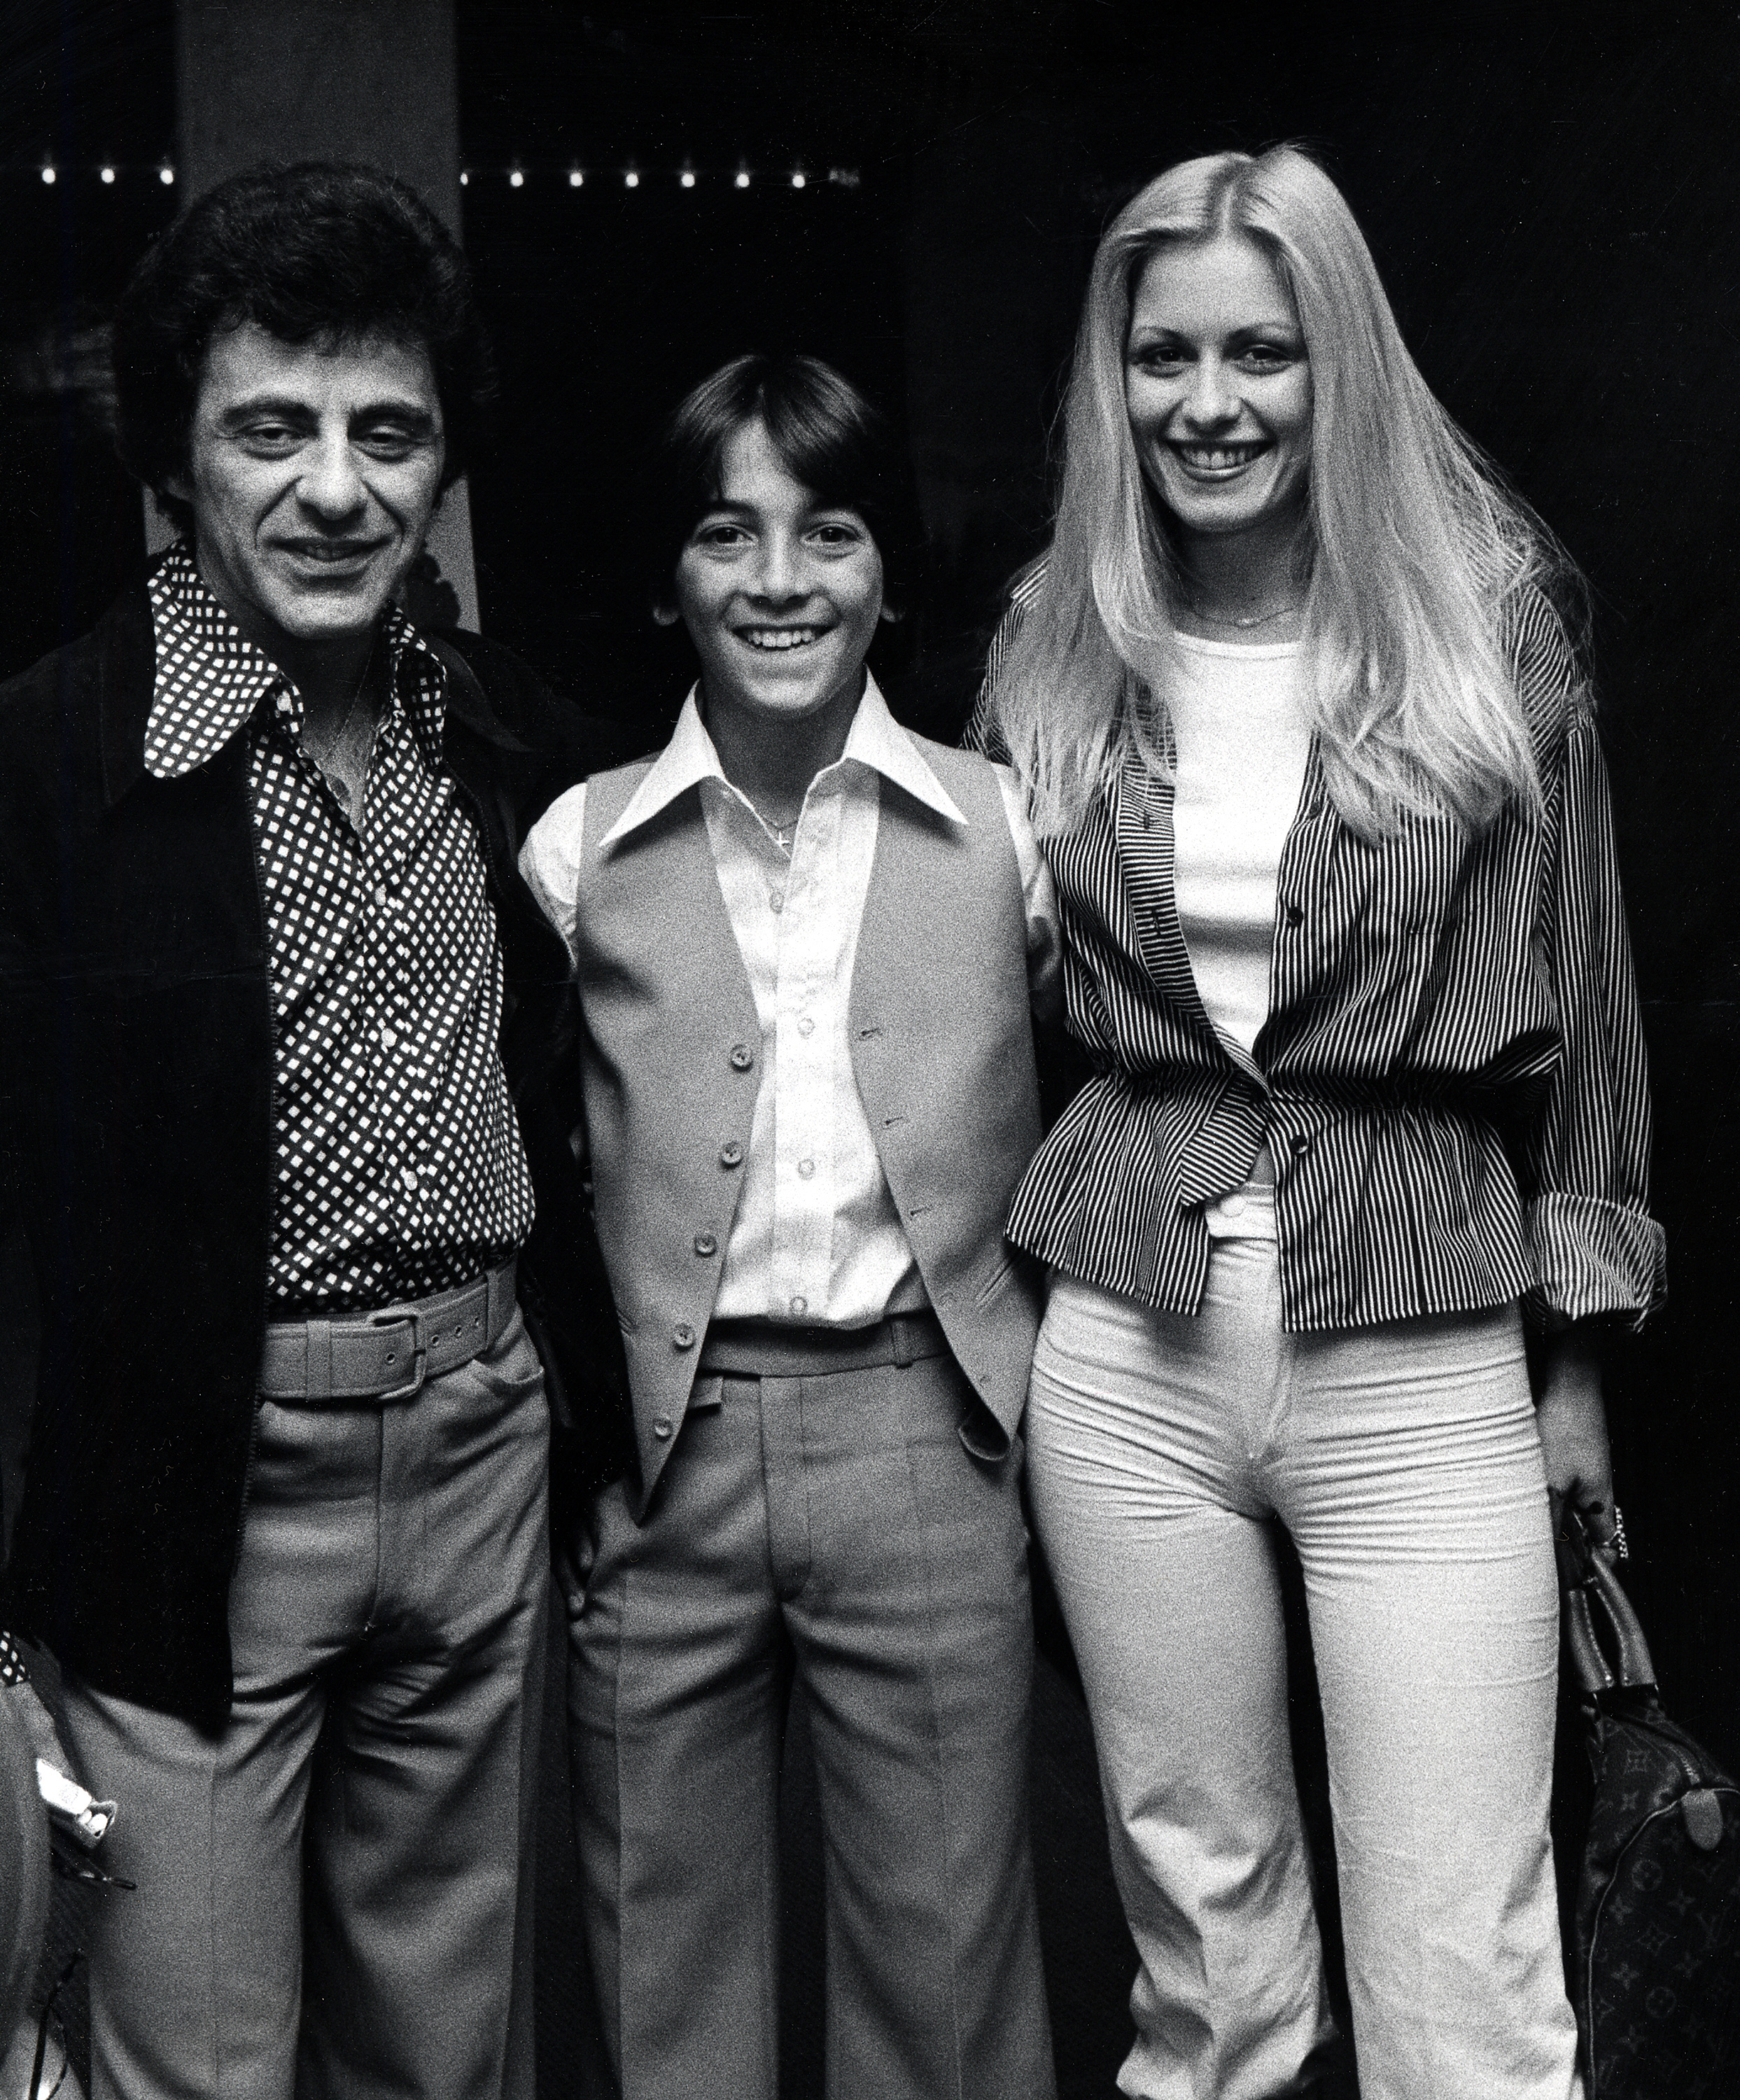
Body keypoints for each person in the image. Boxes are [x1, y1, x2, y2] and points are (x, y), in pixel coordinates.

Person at [970, 146, 1664, 2100]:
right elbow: (967, 985)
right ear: (1111, 383)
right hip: (1124, 1341)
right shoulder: (1054, 631)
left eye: (1259, 352)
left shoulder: (1484, 631)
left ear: (1333, 364)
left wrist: (1574, 1361)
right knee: (1204, 1971)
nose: (1208, 403)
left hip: (1420, 1334)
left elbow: (1589, 1011)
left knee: (1462, 1983)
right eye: (1162, 356)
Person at [0, 161, 627, 2100]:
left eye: (386, 433)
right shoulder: (48, 761)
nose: (334, 487)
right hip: (184, 1488)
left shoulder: (509, 737)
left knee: (445, 2059)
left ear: (443, 469)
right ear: (178, 465)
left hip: (473, 1454)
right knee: (193, 2057)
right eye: (270, 430)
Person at [521, 351, 1062, 2100]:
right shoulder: (572, 849)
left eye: (825, 533)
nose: (776, 582)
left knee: (946, 1964)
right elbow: (537, 1177)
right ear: (670, 579)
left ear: (888, 569)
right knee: (655, 1945)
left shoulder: (1007, 830)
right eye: (725, 536)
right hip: (661, 1462)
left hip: (922, 1429)